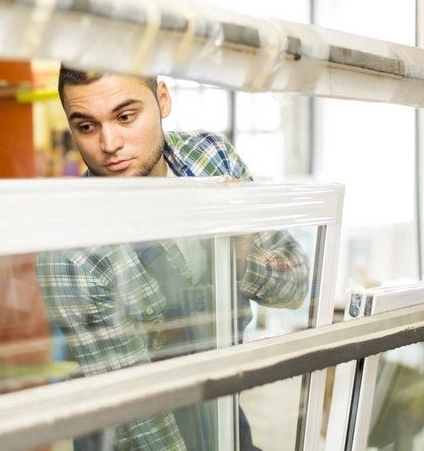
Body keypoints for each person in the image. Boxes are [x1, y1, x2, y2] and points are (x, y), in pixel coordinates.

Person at [36, 67, 310, 451]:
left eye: (125, 116)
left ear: (162, 100)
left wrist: (239, 258)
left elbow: (297, 285)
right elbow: (142, 418)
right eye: (86, 126)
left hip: (220, 410)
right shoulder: (72, 251)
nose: (109, 144)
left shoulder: (211, 160)